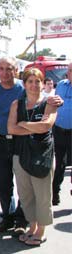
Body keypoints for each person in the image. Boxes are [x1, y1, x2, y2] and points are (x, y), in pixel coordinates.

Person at [7, 68, 57, 246]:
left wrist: (24, 124)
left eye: (38, 81)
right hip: (20, 154)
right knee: (26, 195)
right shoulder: (16, 104)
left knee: (42, 195)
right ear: (24, 84)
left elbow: (46, 126)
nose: (34, 85)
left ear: (43, 84)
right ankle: (32, 226)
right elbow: (11, 129)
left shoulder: (49, 102)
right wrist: (33, 126)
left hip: (42, 154)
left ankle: (41, 230)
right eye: (30, 81)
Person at [0, 56, 28, 236]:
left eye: (9, 69)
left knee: (23, 182)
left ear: (16, 70)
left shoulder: (24, 88)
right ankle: (8, 216)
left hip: (20, 142)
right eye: (1, 68)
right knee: (2, 183)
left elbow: (41, 99)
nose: (5, 73)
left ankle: (22, 219)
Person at [52, 62, 72, 205]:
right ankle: (55, 192)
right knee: (59, 164)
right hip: (59, 130)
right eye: (70, 70)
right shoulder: (60, 85)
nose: (70, 73)